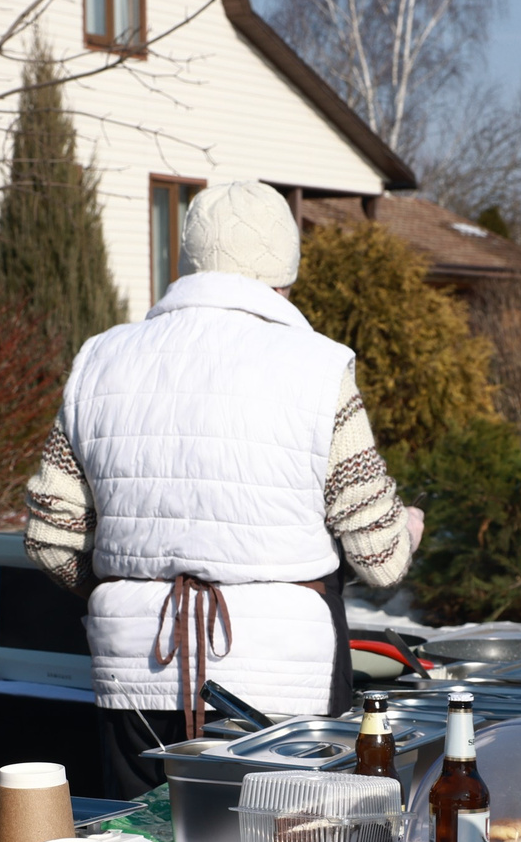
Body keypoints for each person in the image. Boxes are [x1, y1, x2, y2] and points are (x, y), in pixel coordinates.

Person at [22, 180, 423, 797]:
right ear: (284, 271)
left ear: (191, 259)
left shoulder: (100, 359)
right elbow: (382, 558)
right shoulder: (317, 366)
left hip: (136, 674)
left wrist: (130, 592)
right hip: (287, 684)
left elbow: (51, 537)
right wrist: (409, 528)